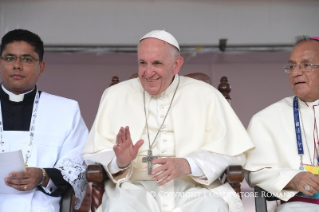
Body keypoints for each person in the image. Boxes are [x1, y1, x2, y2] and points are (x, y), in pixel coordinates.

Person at [82, 30, 254, 212]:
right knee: (119, 207)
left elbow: (233, 152)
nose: (148, 73)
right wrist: (120, 162)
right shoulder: (115, 95)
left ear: (176, 64)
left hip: (194, 190)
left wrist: (189, 164)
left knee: (213, 206)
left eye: (157, 63)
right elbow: (95, 153)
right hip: (134, 191)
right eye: (142, 63)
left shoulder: (206, 95)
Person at [0, 29, 88, 211]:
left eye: (26, 59)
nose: (17, 65)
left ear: (41, 67)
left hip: (40, 206)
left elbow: (77, 164)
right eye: (9, 58)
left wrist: (42, 176)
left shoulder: (65, 110)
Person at [244, 36, 319, 211]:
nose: (296, 72)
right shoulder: (266, 119)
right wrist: (293, 178)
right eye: (292, 66)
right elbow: (254, 172)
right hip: (301, 206)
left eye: (306, 65)